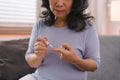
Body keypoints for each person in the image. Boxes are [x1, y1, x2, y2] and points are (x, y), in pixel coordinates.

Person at [19, 0, 100, 80]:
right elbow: (31, 61)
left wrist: (75, 60)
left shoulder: (88, 27)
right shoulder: (40, 24)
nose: (59, 4)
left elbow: (94, 65)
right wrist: (38, 56)